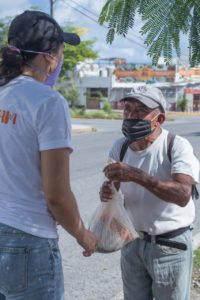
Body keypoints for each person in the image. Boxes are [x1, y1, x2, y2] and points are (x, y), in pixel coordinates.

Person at [0, 10, 97, 300]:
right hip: (27, 240)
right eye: (62, 50)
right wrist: (83, 234)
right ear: (49, 57)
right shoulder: (47, 102)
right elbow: (56, 194)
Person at [100, 84, 199, 300]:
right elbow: (113, 191)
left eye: (140, 111)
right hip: (132, 245)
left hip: (169, 248)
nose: (131, 116)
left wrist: (136, 175)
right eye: (128, 109)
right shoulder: (120, 147)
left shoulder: (176, 146)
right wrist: (108, 192)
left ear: (159, 119)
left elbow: (183, 194)